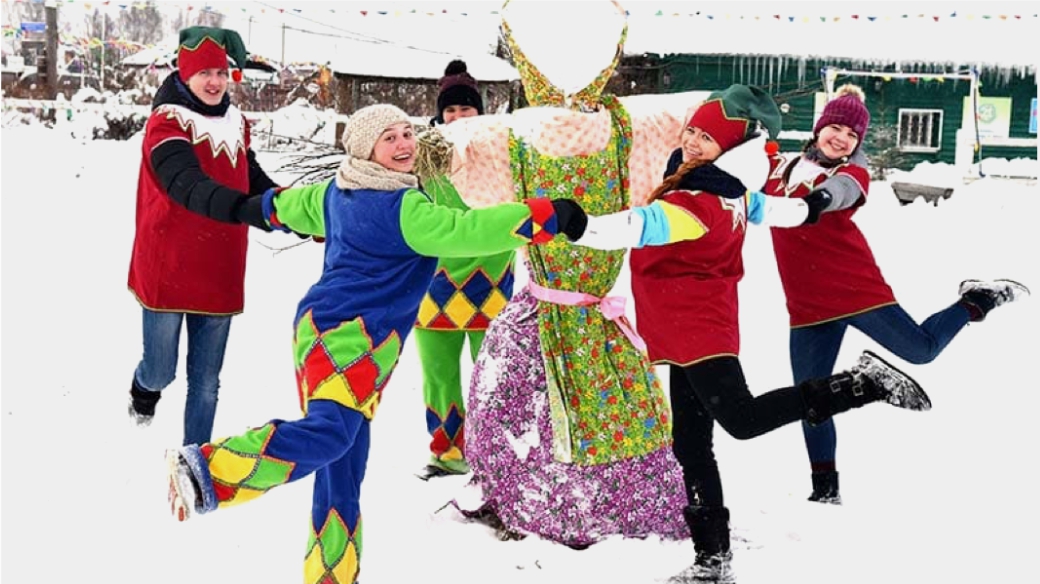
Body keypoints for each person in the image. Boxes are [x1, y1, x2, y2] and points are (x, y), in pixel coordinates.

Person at [163, 103, 590, 584]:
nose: (405, 144)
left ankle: (331, 575)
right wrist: (548, 216)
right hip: (350, 339)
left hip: (324, 331)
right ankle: (207, 470)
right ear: (367, 149)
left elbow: (280, 207)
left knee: (342, 469)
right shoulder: (404, 209)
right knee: (331, 435)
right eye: (389, 138)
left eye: (407, 132)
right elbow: (467, 231)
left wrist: (243, 207)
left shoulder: (336, 191)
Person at [573, 84, 934, 584]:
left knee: (740, 420)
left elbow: (640, 226)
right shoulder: (719, 185)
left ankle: (860, 386)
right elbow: (777, 210)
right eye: (693, 131)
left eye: (707, 137)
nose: (695, 141)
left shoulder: (703, 197)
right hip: (678, 327)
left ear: (731, 149)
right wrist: (804, 210)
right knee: (691, 444)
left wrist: (576, 224)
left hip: (697, 326)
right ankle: (712, 559)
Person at [427, 0, 707, 547]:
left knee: (522, 403)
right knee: (512, 400)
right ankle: (545, 499)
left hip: (586, 307)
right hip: (547, 304)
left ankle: (570, 505)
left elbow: (702, 126)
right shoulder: (515, 135)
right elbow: (441, 159)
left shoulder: (622, 129)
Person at [762, 84, 1030, 504]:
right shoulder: (780, 167)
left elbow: (842, 194)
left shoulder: (850, 173)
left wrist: (815, 202)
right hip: (807, 304)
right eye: (835, 128)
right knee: (810, 400)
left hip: (854, 287)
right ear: (818, 129)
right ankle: (825, 490)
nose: (842, 139)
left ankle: (977, 299)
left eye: (851, 135)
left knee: (921, 351)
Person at [126, 26, 281, 446]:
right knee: (162, 371)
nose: (215, 82)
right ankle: (144, 388)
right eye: (204, 73)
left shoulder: (236, 123)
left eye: (221, 72)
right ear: (185, 73)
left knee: (207, 382)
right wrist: (250, 210)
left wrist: (287, 206)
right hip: (170, 262)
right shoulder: (167, 122)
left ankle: (194, 461)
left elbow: (249, 177)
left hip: (222, 264)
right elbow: (186, 183)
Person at [413, 59, 516, 478]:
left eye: (466, 110)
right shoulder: (421, 155)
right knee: (438, 375)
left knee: (492, 373)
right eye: (450, 110)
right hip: (433, 281)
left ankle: (495, 453)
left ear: (480, 112)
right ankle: (447, 452)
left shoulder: (500, 151)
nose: (457, 117)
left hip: (491, 279)